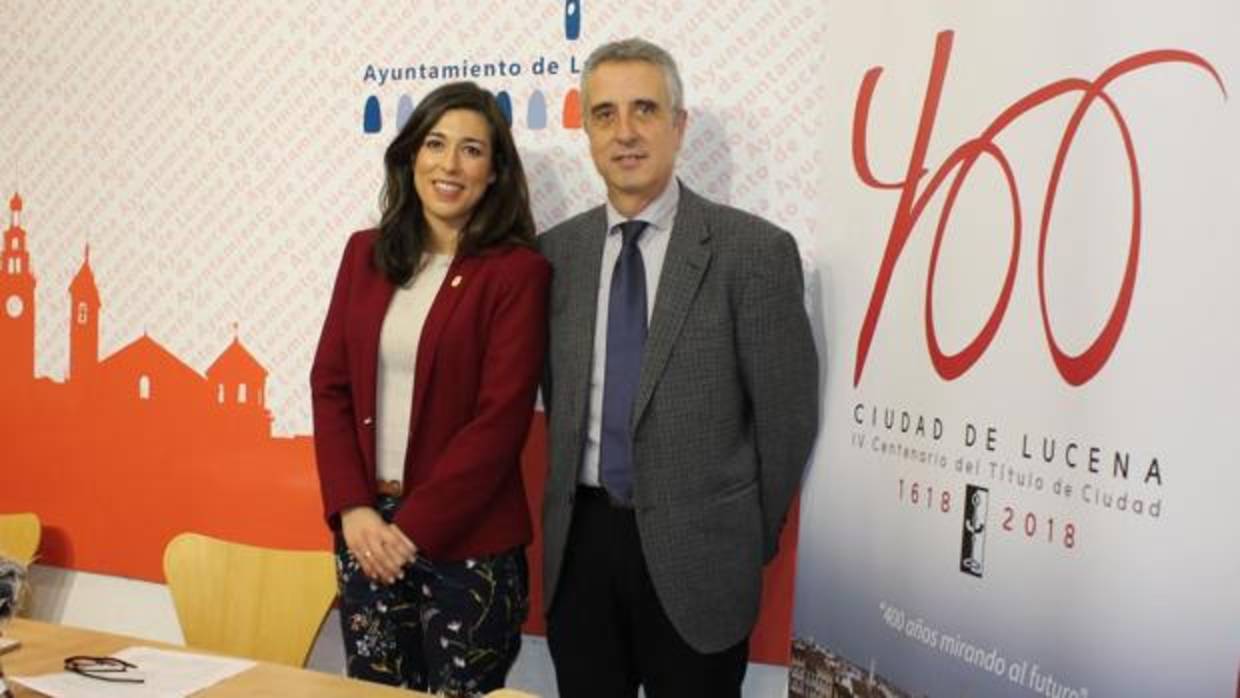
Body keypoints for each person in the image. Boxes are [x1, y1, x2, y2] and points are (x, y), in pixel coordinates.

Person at [538, 37, 820, 697]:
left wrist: (744, 537)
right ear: (586, 131)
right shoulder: (555, 255)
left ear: (679, 124)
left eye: (645, 109)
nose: (626, 132)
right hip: (580, 552)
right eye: (605, 114)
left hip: (702, 562)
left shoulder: (752, 252)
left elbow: (788, 419)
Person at [310, 81, 549, 696]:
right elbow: (330, 386)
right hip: (367, 537)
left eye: (472, 150)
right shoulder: (365, 254)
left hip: (467, 550)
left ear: (495, 172)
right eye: (436, 143)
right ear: (410, 155)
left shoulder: (517, 273)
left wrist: (410, 530)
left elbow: (500, 421)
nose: (449, 164)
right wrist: (355, 511)